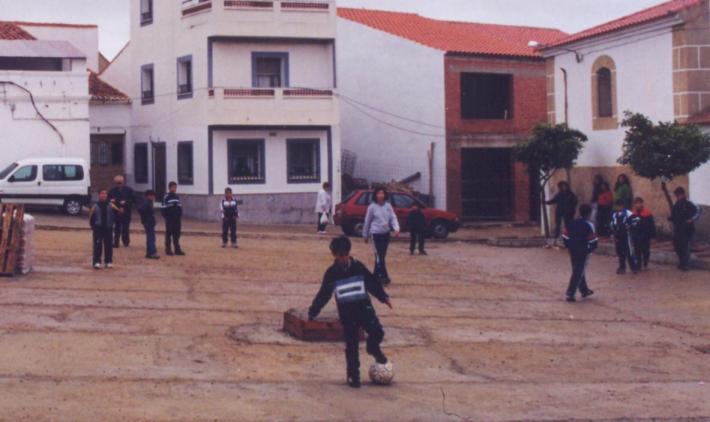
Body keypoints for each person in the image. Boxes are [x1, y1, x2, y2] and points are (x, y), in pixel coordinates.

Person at [308, 236, 392, 388]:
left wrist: (383, 297)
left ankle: (372, 348)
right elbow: (324, 294)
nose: (343, 258)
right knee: (352, 346)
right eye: (340, 255)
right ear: (334, 255)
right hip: (347, 315)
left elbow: (372, 283)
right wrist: (313, 311)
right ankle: (353, 376)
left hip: (365, 309)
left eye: (346, 255)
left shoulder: (358, 267)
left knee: (377, 332)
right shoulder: (332, 273)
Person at [363, 187, 400, 285]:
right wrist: (365, 234)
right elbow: (367, 221)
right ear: (375, 195)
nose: (380, 195)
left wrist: (396, 228)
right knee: (379, 255)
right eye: (378, 193)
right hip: (375, 234)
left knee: (382, 255)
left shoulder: (388, 206)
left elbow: (393, 217)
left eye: (382, 193)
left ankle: (374, 276)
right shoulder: (372, 207)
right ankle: (383, 276)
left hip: (386, 234)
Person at [562, 204, 598, 302]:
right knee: (578, 271)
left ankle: (584, 290)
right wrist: (590, 249)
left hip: (572, 249)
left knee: (578, 269)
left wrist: (568, 245)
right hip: (583, 250)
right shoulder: (589, 224)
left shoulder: (572, 223)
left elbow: (565, 236)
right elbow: (593, 239)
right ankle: (570, 293)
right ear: (589, 213)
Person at [670, 187, 702, 272]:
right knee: (678, 247)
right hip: (678, 230)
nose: (678, 197)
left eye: (679, 195)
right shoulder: (676, 204)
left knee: (686, 248)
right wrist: (671, 222)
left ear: (683, 194)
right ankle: (681, 262)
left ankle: (685, 265)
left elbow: (698, 210)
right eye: (677, 195)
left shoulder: (689, 203)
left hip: (687, 230)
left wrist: (692, 219)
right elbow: (673, 216)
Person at [88, 188, 120, 269]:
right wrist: (93, 226)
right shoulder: (94, 206)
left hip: (108, 228)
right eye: (102, 193)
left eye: (105, 194)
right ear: (99, 195)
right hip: (98, 228)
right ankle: (97, 262)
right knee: (97, 245)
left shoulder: (111, 205)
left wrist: (113, 223)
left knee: (108, 245)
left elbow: (117, 214)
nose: (104, 195)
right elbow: (91, 217)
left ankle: (108, 261)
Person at [610, 199, 640, 275]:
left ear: (622, 206)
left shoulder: (628, 213)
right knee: (619, 251)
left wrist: (629, 226)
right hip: (618, 234)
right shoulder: (614, 214)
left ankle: (634, 267)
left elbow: (637, 220)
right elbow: (612, 223)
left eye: (619, 206)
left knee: (629, 251)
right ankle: (622, 267)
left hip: (626, 234)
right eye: (616, 206)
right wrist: (613, 231)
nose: (617, 208)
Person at [108, 175, 135, 248]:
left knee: (125, 228)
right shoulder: (112, 190)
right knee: (117, 227)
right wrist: (112, 201)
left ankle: (126, 242)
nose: (118, 184)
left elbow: (133, 200)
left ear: (123, 182)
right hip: (116, 212)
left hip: (126, 211)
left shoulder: (129, 190)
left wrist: (126, 203)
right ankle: (116, 243)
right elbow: (109, 200)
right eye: (117, 183)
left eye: (120, 183)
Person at [162, 181, 185, 256]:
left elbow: (179, 206)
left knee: (177, 234)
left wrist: (179, 214)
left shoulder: (176, 197)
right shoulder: (166, 197)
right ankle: (168, 250)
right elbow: (164, 208)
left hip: (177, 218)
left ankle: (177, 249)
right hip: (170, 218)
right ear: (170, 188)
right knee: (169, 234)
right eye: (173, 187)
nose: (175, 189)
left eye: (175, 187)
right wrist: (167, 216)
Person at [632, 197, 656, 270]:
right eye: (636, 203)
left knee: (645, 250)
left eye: (639, 203)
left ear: (642, 204)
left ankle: (645, 263)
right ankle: (638, 264)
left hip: (645, 235)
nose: (638, 205)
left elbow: (651, 225)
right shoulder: (633, 214)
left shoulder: (647, 213)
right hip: (636, 235)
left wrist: (653, 236)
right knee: (637, 250)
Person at [139, 189, 160, 260]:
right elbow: (141, 210)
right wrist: (147, 218)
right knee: (151, 238)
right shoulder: (146, 203)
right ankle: (152, 252)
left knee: (150, 237)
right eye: (153, 196)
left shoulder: (148, 202)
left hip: (148, 221)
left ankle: (149, 253)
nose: (154, 197)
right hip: (148, 221)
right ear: (149, 196)